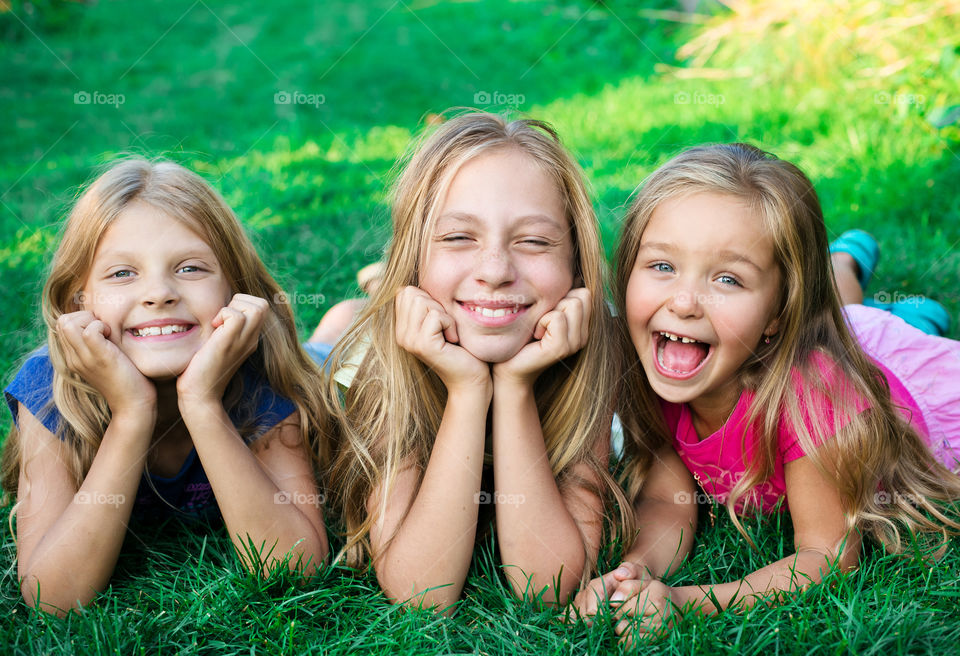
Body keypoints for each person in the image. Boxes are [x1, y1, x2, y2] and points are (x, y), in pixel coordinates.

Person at [574, 143, 960, 637]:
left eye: (729, 279)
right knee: (849, 317)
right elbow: (669, 502)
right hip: (820, 337)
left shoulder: (813, 397)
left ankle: (884, 297)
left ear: (779, 314)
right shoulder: (657, 364)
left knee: (866, 324)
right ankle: (851, 268)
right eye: (663, 266)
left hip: (913, 384)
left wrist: (688, 601)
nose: (685, 301)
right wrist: (635, 572)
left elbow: (826, 555)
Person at [322, 112, 630, 611]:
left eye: (533, 241)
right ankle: (363, 300)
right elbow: (422, 593)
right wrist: (468, 391)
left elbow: (547, 584)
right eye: (459, 237)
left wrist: (515, 387)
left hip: (482, 316)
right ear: (414, 257)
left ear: (576, 261)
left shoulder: (598, 347)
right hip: (361, 345)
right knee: (340, 331)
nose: (495, 271)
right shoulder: (383, 365)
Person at [1, 158, 330, 615]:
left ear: (235, 289)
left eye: (191, 268)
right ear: (79, 301)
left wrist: (202, 403)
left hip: (323, 365)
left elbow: (294, 570)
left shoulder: (262, 370)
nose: (159, 293)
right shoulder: (51, 386)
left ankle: (344, 318)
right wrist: (132, 412)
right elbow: (51, 598)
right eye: (122, 273)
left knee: (337, 350)